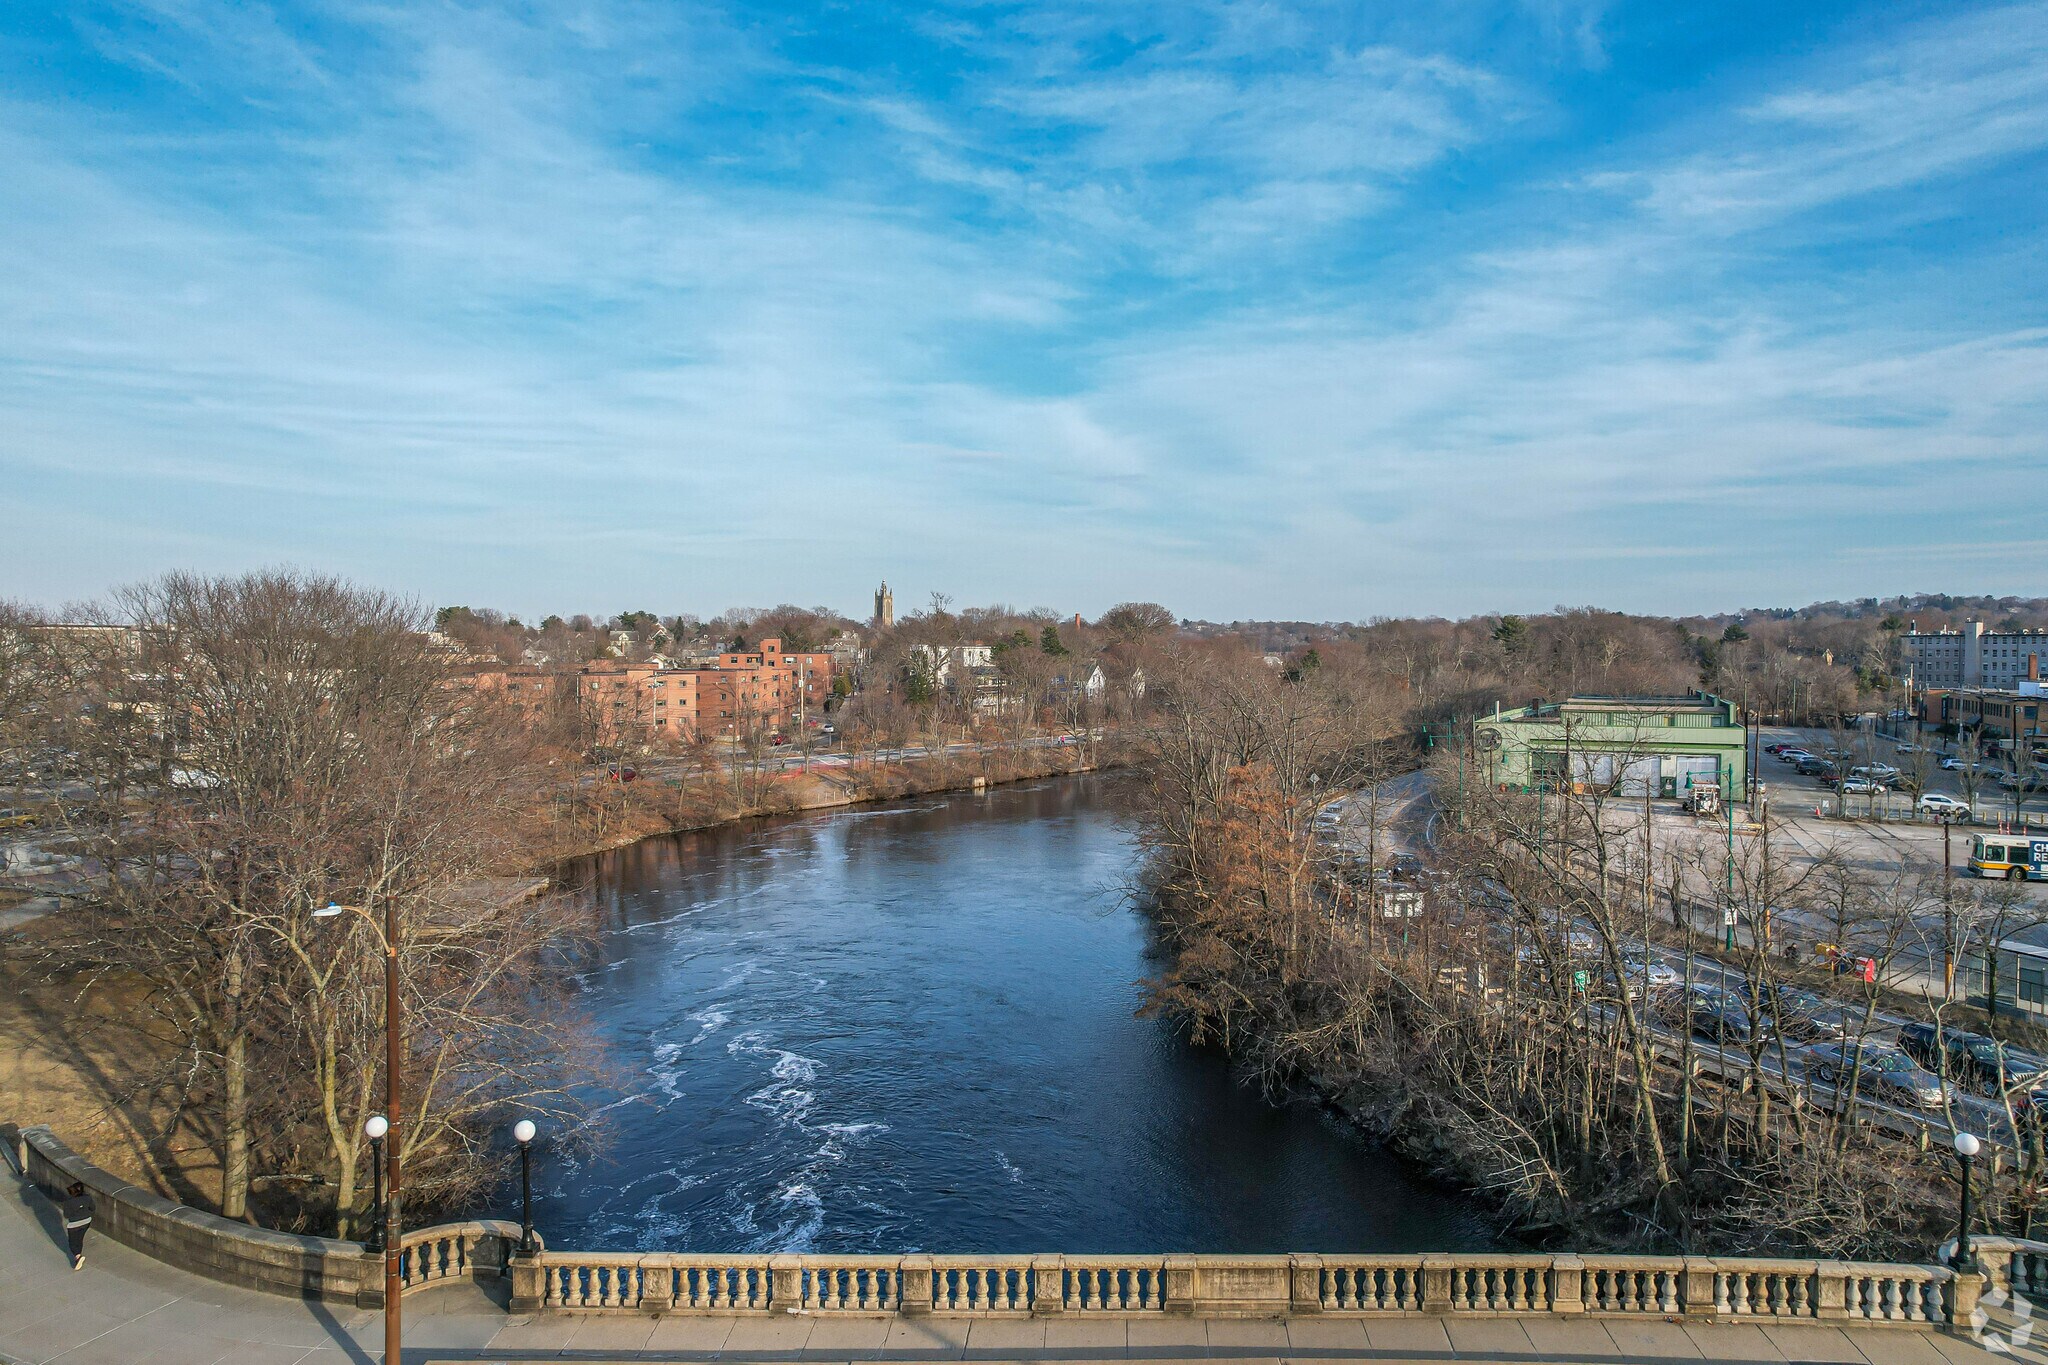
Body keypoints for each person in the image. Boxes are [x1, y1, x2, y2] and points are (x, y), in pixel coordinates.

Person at [59, 1181, 94, 1270]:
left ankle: (78, 1256)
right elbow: (93, 1208)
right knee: (79, 1238)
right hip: (86, 1221)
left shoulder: (68, 1202)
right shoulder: (88, 1197)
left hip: (74, 1224)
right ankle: (78, 1255)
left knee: (72, 1243)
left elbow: (67, 1215)